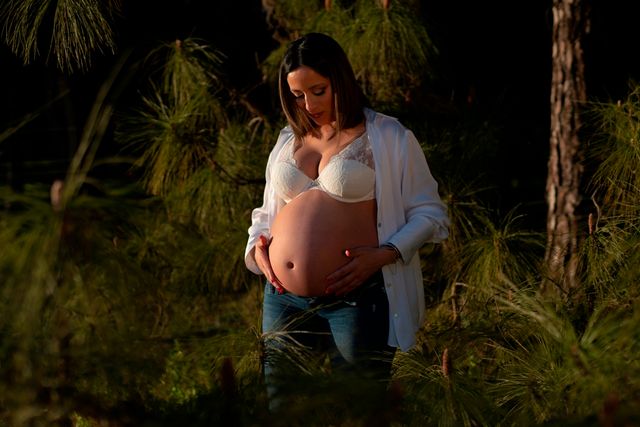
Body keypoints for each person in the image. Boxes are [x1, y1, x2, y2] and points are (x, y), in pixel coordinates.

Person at [244, 32, 449, 408]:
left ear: (341, 79)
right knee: (281, 411)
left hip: (354, 299)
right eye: (297, 95)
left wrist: (385, 253)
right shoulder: (287, 140)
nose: (308, 104)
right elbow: (265, 216)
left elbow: (431, 214)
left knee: (357, 411)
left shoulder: (388, 137)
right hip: (282, 299)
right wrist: (258, 252)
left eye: (318, 90)